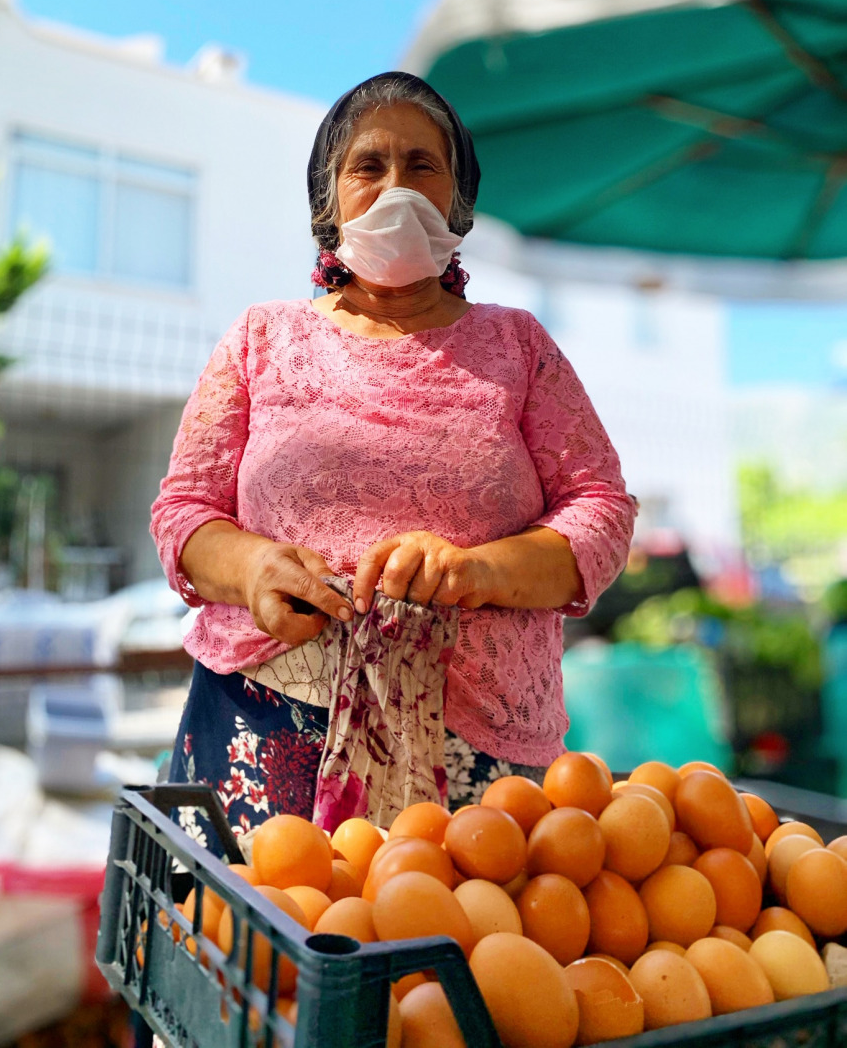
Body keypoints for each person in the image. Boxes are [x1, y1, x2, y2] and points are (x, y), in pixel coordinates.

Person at [151, 71, 636, 840]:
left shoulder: (519, 346)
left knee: (451, 952)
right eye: (368, 166)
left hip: (477, 770)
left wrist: (477, 573)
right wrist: (252, 568)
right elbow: (184, 512)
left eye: (422, 165)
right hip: (261, 730)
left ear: (458, 200)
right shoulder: (261, 338)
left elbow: (602, 510)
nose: (395, 186)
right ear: (327, 203)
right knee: (256, 944)